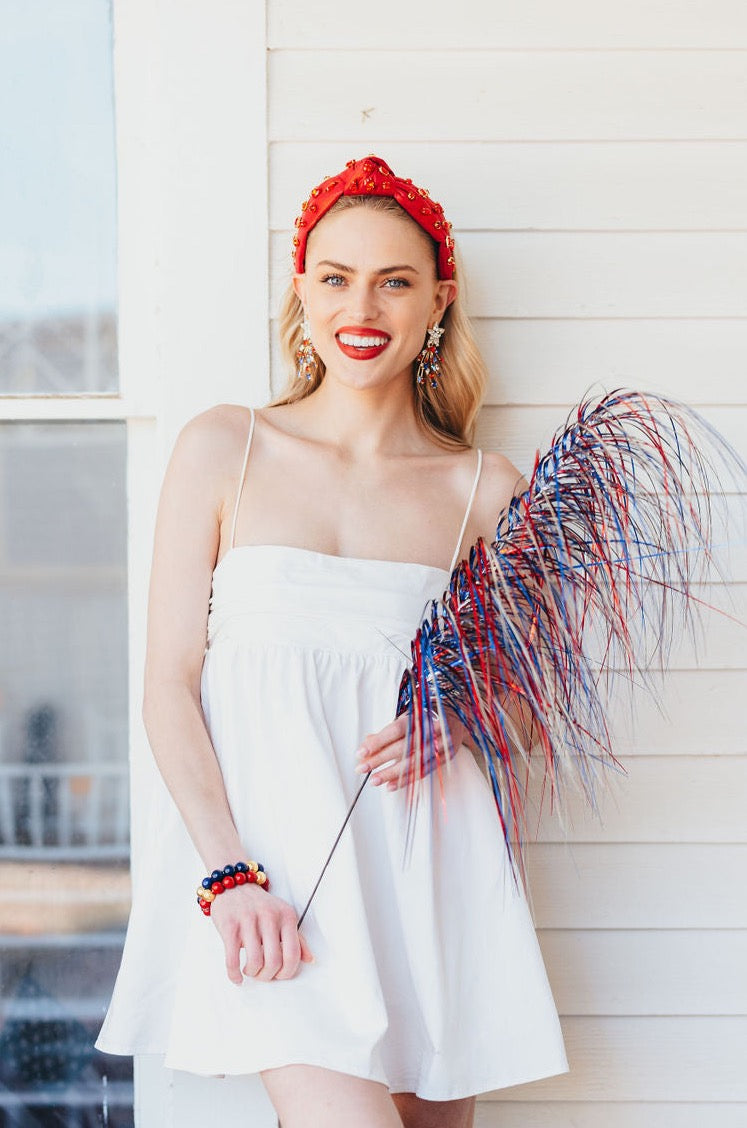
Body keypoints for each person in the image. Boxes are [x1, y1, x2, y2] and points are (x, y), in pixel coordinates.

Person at [97, 155, 568, 1128]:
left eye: (394, 281)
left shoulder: (481, 490)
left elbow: (528, 704)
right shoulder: (225, 448)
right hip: (269, 880)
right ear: (301, 291)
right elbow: (168, 686)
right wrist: (227, 873)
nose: (363, 306)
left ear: (437, 301)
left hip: (428, 877)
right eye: (336, 276)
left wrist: (461, 720)